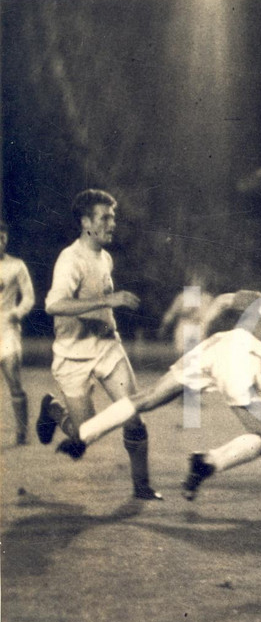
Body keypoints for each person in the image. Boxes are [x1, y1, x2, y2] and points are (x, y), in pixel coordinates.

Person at [57, 284, 261, 500]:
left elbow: (224, 300)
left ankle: (82, 436)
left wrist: (203, 325)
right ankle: (207, 462)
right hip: (243, 358)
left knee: (145, 399)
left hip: (219, 343)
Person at [35, 189, 160, 500]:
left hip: (107, 348)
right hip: (72, 356)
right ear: (85, 221)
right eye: (105, 217)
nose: (112, 223)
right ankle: (52, 411)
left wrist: (107, 308)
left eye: (113, 217)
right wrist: (109, 299)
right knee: (85, 434)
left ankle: (141, 487)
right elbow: (53, 304)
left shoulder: (105, 257)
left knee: (133, 416)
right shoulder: (70, 260)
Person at [0, 221, 36, 445]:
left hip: (7, 327)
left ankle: (21, 432)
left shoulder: (17, 265)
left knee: (13, 378)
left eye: (3, 238)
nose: (0, 242)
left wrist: (17, 312)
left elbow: (29, 297)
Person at [157, 272, 214, 356]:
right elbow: (172, 312)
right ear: (191, 282)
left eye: (202, 281)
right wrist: (164, 326)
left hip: (200, 327)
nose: (199, 283)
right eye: (196, 280)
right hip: (185, 325)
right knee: (183, 354)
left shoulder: (208, 298)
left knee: (198, 354)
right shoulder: (184, 296)